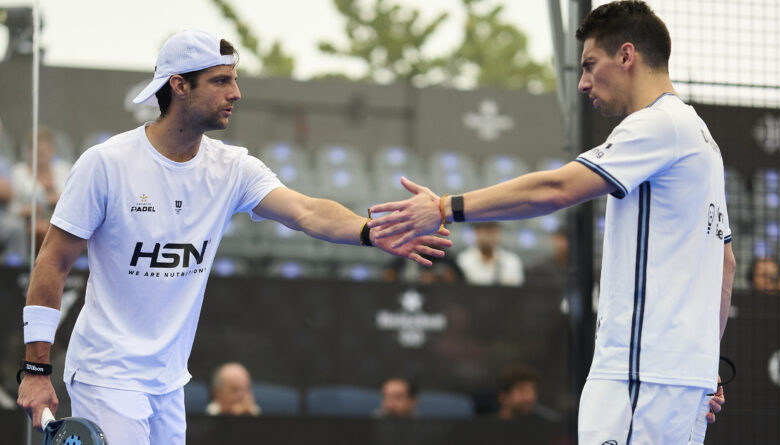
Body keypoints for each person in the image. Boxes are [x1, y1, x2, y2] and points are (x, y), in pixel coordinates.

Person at [16, 30, 451, 444]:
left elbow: (305, 210)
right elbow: (53, 261)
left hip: (168, 382)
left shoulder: (233, 168)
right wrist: (36, 369)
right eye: (221, 81)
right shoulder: (105, 164)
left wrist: (368, 231)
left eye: (235, 80)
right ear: (179, 85)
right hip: (106, 374)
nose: (236, 94)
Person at [368, 2, 736, 443]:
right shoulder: (703, 140)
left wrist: (445, 208)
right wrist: (701, 365)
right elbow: (725, 265)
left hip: (641, 375)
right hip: (676, 379)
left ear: (626, 56)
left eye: (589, 65)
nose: (582, 83)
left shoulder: (658, 127)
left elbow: (556, 189)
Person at [10, 126, 71, 253]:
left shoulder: (64, 169)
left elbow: (73, 199)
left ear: (53, 150)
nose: (42, 155)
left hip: (61, 220)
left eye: (45, 150)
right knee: (43, 230)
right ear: (29, 151)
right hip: (28, 221)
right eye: (38, 151)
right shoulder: (19, 172)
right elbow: (13, 209)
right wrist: (40, 206)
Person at [456, 222, 524, 286]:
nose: (492, 236)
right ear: (476, 232)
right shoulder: (463, 260)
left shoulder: (511, 261)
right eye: (488, 231)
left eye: (495, 231)